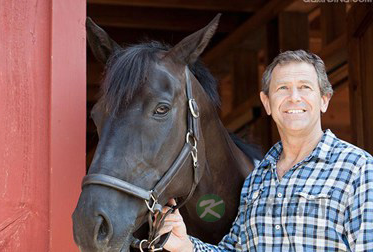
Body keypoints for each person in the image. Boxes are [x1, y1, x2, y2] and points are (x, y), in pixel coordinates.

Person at [158, 50, 373, 251]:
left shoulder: (358, 169)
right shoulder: (257, 180)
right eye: (282, 88)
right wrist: (185, 245)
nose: (294, 97)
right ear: (267, 103)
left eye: (305, 87)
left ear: (324, 100)